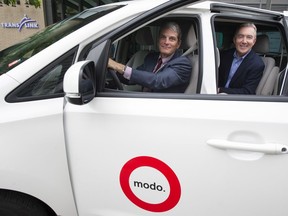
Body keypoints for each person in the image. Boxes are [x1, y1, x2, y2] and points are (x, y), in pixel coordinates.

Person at [108, 22, 192, 93]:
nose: (166, 42)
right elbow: (134, 78)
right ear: (158, 39)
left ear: (178, 44)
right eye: (163, 37)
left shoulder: (183, 64)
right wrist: (110, 71)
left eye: (172, 39)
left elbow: (158, 81)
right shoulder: (151, 58)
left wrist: (118, 66)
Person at [218, 23, 265, 94]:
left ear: (254, 41)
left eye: (249, 37)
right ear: (234, 39)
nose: (244, 41)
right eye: (240, 36)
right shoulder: (224, 55)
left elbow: (247, 92)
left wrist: (219, 90)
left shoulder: (257, 64)